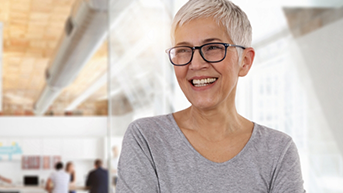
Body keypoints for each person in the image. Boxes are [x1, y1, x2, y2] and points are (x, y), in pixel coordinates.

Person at [116, 0, 305, 192]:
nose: (196, 64)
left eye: (212, 48)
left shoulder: (278, 151)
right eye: (183, 50)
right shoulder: (146, 139)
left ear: (245, 61)